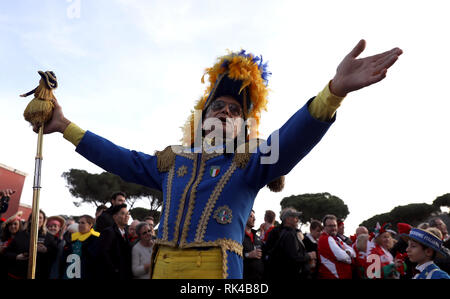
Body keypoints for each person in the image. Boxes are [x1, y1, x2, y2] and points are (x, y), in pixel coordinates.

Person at [34, 41, 402, 278]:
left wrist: (333, 93)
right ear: (203, 118)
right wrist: (65, 126)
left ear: (245, 125)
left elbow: (291, 140)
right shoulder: (172, 162)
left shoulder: (251, 160)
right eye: (218, 107)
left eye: (234, 110)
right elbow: (119, 158)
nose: (225, 113)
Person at [2, 210, 58, 279]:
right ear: (30, 219)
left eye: (40, 217)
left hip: (38, 275)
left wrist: (46, 250)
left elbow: (55, 256)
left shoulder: (49, 238)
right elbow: (6, 253)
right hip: (17, 274)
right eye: (35, 216)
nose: (37, 219)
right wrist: (17, 256)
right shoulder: (20, 235)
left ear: (43, 221)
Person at [264, 208, 314, 280]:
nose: (297, 219)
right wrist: (309, 256)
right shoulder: (288, 234)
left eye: (297, 217)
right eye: (295, 217)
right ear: (287, 219)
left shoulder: (292, 232)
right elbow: (294, 257)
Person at [98, 204, 132, 279]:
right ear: (115, 217)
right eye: (123, 213)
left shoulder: (126, 232)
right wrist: (115, 270)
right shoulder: (108, 232)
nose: (127, 216)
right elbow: (104, 254)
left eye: (128, 214)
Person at [61, 215, 100, 279]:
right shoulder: (73, 237)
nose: (79, 225)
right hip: (69, 273)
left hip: (86, 274)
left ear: (90, 225)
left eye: (83, 223)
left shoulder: (96, 238)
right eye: (79, 223)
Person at [317, 214, 355, 279]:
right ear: (324, 227)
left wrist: (348, 252)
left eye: (334, 225)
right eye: (330, 226)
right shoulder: (326, 238)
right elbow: (341, 256)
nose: (333, 228)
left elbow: (354, 253)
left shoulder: (337, 238)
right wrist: (349, 257)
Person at [0, 211, 24, 278]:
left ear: (19, 225)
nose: (13, 226)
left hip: (14, 274)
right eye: (10, 224)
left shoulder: (23, 239)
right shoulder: (3, 238)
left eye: (15, 224)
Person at [243, 210, 264, 280]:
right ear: (244, 217)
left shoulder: (257, 237)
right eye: (251, 216)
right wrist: (248, 255)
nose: (254, 219)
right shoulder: (238, 237)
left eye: (254, 217)